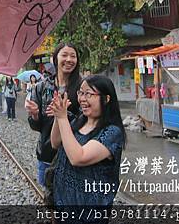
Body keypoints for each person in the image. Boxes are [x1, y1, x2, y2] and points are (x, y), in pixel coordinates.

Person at [50, 75, 126, 211]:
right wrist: (58, 115)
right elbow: (55, 143)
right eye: (81, 92)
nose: (82, 99)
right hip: (62, 203)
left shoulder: (112, 132)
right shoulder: (78, 122)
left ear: (106, 99)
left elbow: (78, 157)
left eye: (89, 94)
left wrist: (62, 118)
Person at [25, 43, 82, 187]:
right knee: (49, 194)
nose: (69, 59)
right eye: (64, 55)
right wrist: (35, 115)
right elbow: (37, 126)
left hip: (74, 154)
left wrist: (62, 114)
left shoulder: (83, 87)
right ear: (54, 59)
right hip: (47, 153)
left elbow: (89, 120)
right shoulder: (41, 87)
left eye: (73, 56)